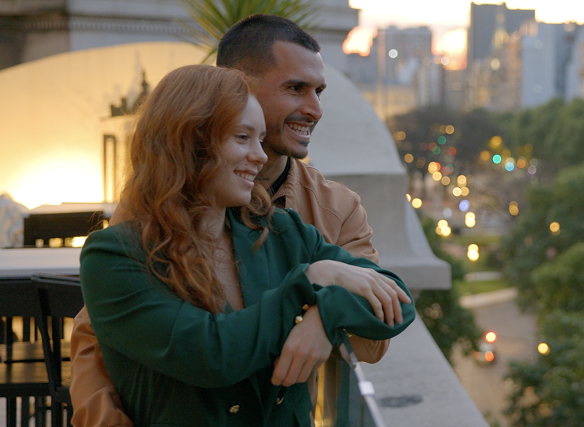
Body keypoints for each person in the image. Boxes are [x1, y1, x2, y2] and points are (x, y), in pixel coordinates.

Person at [70, 14, 394, 426]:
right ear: (235, 88)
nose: (315, 110)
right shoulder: (137, 231)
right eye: (295, 88)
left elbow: (380, 324)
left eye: (319, 92)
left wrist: (323, 314)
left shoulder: (324, 213)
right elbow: (98, 336)